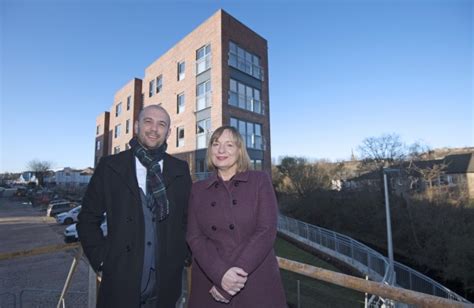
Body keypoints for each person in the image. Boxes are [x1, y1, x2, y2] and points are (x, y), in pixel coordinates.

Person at [77, 105, 192, 308]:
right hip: (119, 286)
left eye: (161, 124)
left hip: (165, 288)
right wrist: (101, 260)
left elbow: (188, 218)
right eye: (148, 121)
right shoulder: (110, 166)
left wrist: (183, 254)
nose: (154, 129)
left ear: (169, 132)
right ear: (137, 126)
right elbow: (87, 219)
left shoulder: (180, 169)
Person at [186, 126, 287, 307]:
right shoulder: (198, 189)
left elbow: (266, 230)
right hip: (210, 283)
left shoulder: (259, 181)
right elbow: (194, 237)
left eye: (229, 145)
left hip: (254, 281)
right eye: (216, 144)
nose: (221, 150)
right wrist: (220, 274)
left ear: (240, 150)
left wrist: (231, 280)